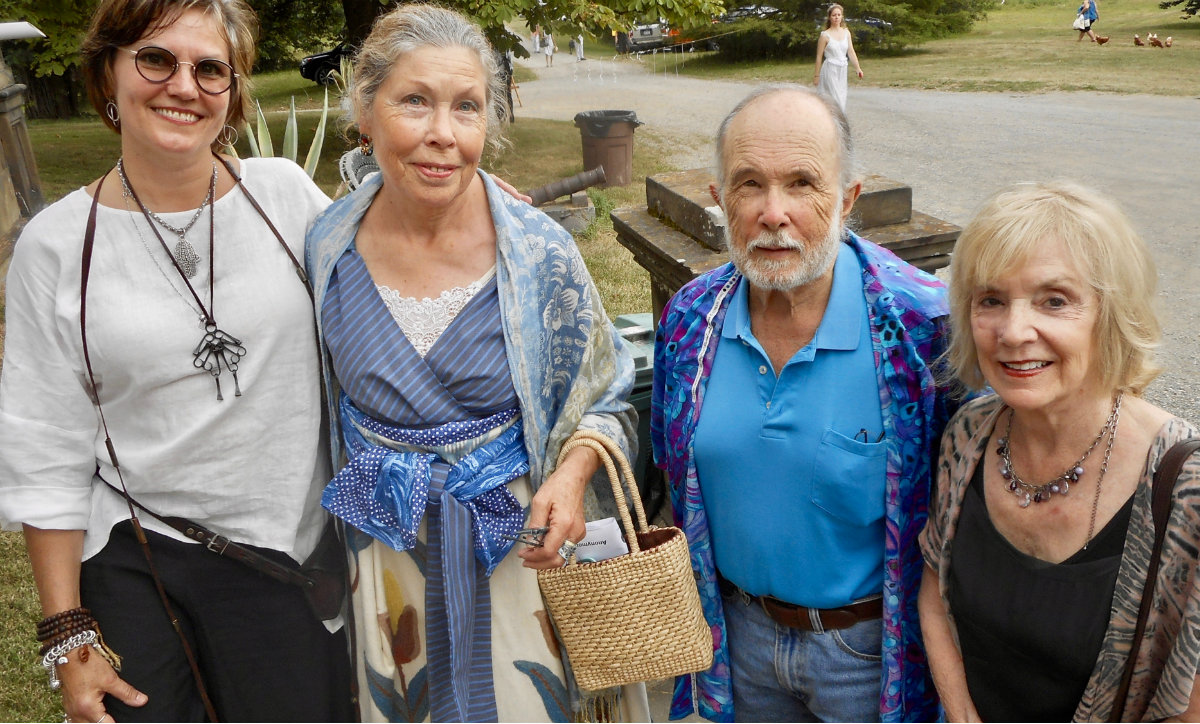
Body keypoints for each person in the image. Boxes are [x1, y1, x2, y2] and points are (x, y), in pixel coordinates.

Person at [0, 0, 354, 721]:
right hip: (140, 552)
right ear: (109, 72)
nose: (183, 86)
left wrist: (478, 203)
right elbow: (45, 444)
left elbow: (391, 277)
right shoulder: (56, 246)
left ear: (233, 91)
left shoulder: (285, 199)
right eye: (156, 59)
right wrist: (68, 631)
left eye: (210, 68)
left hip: (285, 553)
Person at [304, 5, 644, 722]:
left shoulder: (540, 253)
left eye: (466, 107)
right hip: (387, 556)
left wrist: (572, 477)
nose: (443, 133)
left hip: (523, 554)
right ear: (364, 111)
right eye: (414, 101)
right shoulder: (325, 246)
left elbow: (610, 395)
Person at [651, 83, 953, 722]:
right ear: (719, 198)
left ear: (848, 198)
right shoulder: (689, 321)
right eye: (749, 184)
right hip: (736, 642)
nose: (773, 212)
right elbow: (671, 478)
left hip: (867, 654)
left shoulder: (922, 329)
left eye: (802, 184)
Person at [918, 181, 1200, 722]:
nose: (1013, 332)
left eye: (1054, 300)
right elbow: (934, 596)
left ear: (1110, 314)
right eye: (991, 300)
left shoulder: (1185, 488)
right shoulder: (968, 434)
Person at [813, 4, 863, 112]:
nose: (836, 17)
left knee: (841, 96)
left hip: (842, 68)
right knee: (834, 97)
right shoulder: (825, 35)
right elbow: (819, 56)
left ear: (842, 16)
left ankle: (837, 118)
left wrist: (858, 68)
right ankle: (835, 118)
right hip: (830, 69)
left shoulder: (846, 33)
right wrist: (816, 75)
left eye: (839, 15)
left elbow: (850, 51)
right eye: (834, 15)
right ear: (829, 17)